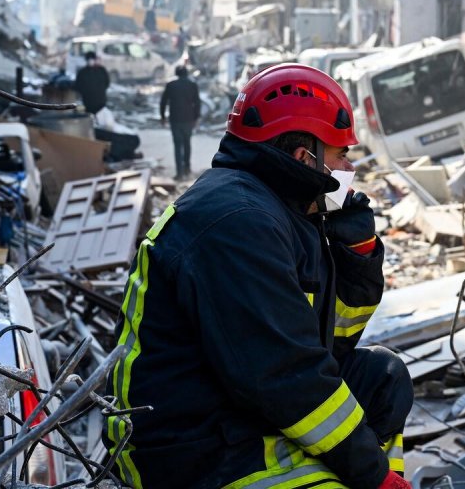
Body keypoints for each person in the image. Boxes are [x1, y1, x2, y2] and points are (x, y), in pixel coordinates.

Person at [105, 64, 412, 489]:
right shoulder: (236, 222)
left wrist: (356, 259)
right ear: (304, 157)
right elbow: (288, 375)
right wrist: (374, 475)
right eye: (341, 154)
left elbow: (331, 342)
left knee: (382, 378)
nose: (349, 167)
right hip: (190, 449)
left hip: (238, 410)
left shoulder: (285, 210)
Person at [159, 65, 201, 180]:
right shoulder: (192, 85)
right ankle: (187, 168)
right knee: (187, 143)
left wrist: (162, 117)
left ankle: (179, 173)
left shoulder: (171, 85)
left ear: (176, 73)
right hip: (189, 119)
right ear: (186, 73)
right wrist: (196, 117)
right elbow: (197, 102)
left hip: (175, 119)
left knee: (178, 145)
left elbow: (163, 102)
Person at [75, 50, 109, 114]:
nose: (91, 61)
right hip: (89, 102)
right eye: (89, 59)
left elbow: (107, 83)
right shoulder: (82, 72)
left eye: (92, 59)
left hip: (100, 101)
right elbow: (78, 86)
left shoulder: (101, 70)